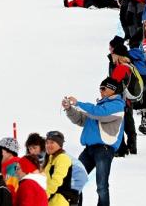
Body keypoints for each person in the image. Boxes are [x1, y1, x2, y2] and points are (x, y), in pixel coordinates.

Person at [63, 77, 125, 206]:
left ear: (112, 90)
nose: (100, 91)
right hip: (89, 149)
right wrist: (69, 109)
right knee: (75, 179)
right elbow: (81, 119)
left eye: (103, 88)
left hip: (104, 149)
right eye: (100, 89)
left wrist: (78, 103)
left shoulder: (117, 106)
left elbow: (99, 114)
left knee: (101, 186)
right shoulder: (97, 108)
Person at [43, 131, 79, 206]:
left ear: (59, 144)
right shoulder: (51, 158)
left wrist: (44, 195)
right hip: (51, 200)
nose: (48, 145)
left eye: (52, 142)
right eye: (47, 143)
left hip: (60, 201)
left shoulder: (62, 158)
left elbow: (56, 180)